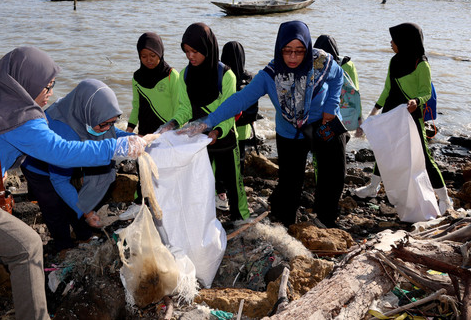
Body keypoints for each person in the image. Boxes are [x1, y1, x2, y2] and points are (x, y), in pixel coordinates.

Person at [0, 47, 146, 320]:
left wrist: (123, 137)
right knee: (27, 246)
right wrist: (118, 147)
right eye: (46, 86)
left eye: (52, 86)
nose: (50, 93)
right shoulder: (21, 119)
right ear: (26, 85)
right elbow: (62, 151)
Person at [179, 21, 346, 228]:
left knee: (334, 172)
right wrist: (207, 122)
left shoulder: (321, 61)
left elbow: (339, 76)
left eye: (299, 51)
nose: (293, 57)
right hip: (290, 132)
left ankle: (325, 218)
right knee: (290, 181)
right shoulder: (270, 75)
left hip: (323, 123)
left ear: (307, 48)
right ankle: (287, 222)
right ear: (279, 49)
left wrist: (332, 104)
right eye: (287, 51)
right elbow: (240, 99)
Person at [21, 79, 129, 252]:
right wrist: (87, 213)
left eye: (112, 122)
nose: (107, 128)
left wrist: (137, 139)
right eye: (104, 124)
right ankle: (63, 246)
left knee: (72, 200)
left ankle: (84, 234)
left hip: (66, 162)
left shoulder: (87, 112)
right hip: (39, 168)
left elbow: (112, 133)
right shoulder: (63, 127)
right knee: (54, 208)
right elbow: (59, 181)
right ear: (90, 112)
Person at [354, 23, 453, 213]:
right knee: (384, 150)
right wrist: (372, 114)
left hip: (411, 115)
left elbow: (425, 93)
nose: (391, 42)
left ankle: (445, 199)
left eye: (395, 39)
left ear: (405, 41)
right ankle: (373, 188)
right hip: (391, 113)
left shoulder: (421, 63)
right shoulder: (394, 61)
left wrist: (416, 101)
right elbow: (387, 89)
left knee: (424, 156)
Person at [157, 23, 250, 221]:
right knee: (203, 182)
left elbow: (229, 111)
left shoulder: (226, 75)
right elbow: (185, 108)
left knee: (234, 182)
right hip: (199, 140)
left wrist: (216, 132)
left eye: (195, 51)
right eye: (187, 51)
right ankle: (205, 220)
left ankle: (241, 218)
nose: (191, 56)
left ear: (208, 48)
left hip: (225, 138)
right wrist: (172, 123)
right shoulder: (185, 75)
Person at [126, 32, 180, 136]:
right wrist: (129, 129)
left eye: (153, 55)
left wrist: (175, 131)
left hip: (166, 133)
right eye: (144, 56)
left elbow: (178, 108)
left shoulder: (171, 75)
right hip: (144, 133)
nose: (148, 60)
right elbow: (136, 106)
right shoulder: (137, 77)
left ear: (160, 53)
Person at [313, 34, 363, 136]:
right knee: (338, 141)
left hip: (317, 112)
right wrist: (359, 118)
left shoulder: (313, 63)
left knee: (319, 140)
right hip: (340, 113)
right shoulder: (348, 64)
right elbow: (355, 92)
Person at [221, 41, 261, 163]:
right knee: (240, 157)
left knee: (225, 159)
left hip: (224, 126)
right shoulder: (250, 78)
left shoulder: (221, 77)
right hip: (244, 127)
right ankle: (239, 180)